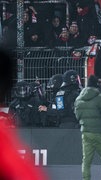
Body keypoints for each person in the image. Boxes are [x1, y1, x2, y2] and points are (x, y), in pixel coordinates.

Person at [0, 49, 45, 180]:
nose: (22, 92)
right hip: (20, 130)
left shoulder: (35, 101)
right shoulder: (14, 104)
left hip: (35, 130)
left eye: (24, 89)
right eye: (19, 89)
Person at [74, 75, 101, 180]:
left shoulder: (78, 99)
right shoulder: (100, 97)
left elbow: (77, 116)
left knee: (86, 161)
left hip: (86, 133)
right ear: (97, 84)